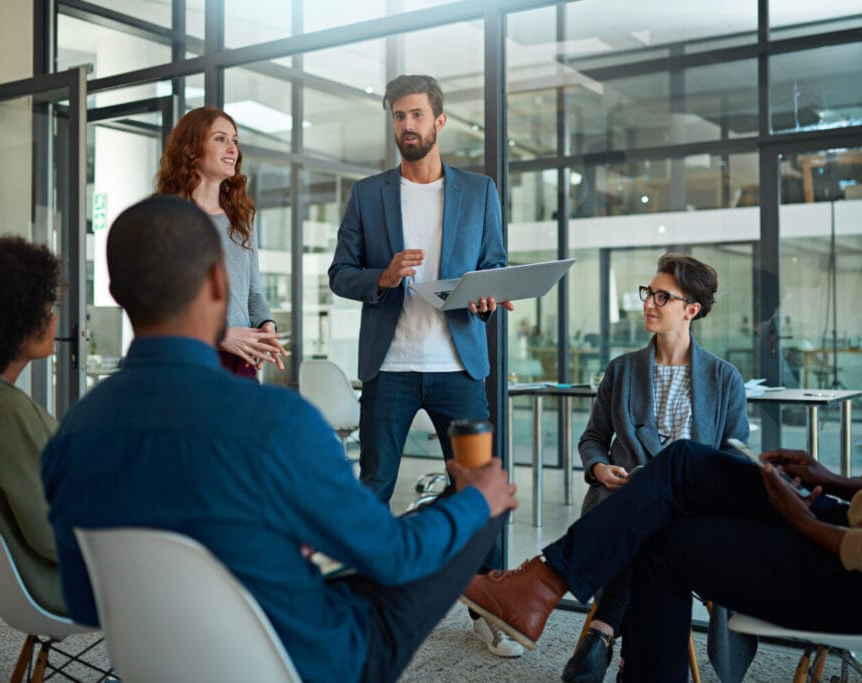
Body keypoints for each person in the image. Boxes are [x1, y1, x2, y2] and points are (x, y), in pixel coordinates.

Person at [460, 211, 862, 682]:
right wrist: (832, 479)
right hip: (856, 523)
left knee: (665, 518)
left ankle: (549, 588)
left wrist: (806, 523)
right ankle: (543, 587)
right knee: (680, 467)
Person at [41, 195, 518, 683]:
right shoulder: (276, 422)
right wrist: (475, 499)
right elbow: (395, 557)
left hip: (162, 665)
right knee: (477, 504)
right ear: (218, 282)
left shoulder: (73, 432)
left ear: (116, 293)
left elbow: (82, 597)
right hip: (303, 663)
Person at [327, 75, 519, 656]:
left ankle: (490, 607)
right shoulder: (367, 194)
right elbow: (340, 274)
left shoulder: (479, 191)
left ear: (439, 121)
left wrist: (486, 296)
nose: (406, 126)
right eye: (397, 116)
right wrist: (382, 277)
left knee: (480, 487)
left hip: (459, 368)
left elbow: (493, 266)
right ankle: (361, 606)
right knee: (375, 488)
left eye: (416, 115)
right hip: (391, 367)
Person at [565, 253, 750, 683]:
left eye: (662, 296)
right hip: (618, 498)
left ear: (691, 310)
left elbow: (736, 457)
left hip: (692, 512)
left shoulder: (724, 379)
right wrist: (599, 469)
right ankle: (637, 661)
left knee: (656, 523)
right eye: (648, 292)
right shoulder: (622, 369)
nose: (649, 302)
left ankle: (604, 630)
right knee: (646, 521)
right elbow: (593, 438)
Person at [0, 236, 66, 615]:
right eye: (46, 308)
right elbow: (52, 536)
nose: (54, 319)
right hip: (63, 583)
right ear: (13, 318)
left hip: (27, 580)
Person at [156, 106, 288, 379]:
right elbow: (161, 305)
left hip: (242, 360)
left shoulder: (242, 219)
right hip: (190, 360)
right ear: (191, 148)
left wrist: (267, 326)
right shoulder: (167, 217)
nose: (232, 149)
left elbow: (253, 294)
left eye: (235, 141)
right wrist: (220, 335)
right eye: (220, 139)